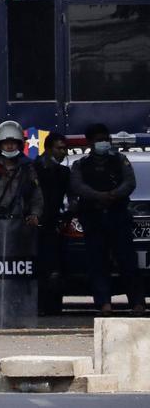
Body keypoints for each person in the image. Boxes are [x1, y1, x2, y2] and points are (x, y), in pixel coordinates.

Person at [70, 123, 146, 316]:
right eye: (98, 140)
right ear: (90, 143)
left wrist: (113, 195)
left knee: (127, 261)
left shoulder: (120, 160)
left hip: (118, 216)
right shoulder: (81, 164)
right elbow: (78, 186)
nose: (103, 143)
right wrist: (98, 196)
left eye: (105, 139)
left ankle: (137, 303)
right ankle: (104, 304)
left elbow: (130, 182)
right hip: (93, 218)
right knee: (98, 263)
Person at [0, 121, 44, 230]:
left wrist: (35, 215)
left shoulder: (28, 169)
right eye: (5, 143)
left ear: (20, 144)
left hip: (22, 225)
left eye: (13, 143)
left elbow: (37, 197)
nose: (9, 146)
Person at [32, 132, 70, 315]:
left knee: (54, 268)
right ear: (48, 149)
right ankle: (39, 305)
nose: (62, 152)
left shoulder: (63, 171)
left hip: (54, 224)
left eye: (64, 148)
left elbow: (70, 197)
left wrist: (68, 215)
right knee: (38, 267)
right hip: (35, 223)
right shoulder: (35, 168)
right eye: (58, 148)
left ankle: (53, 306)